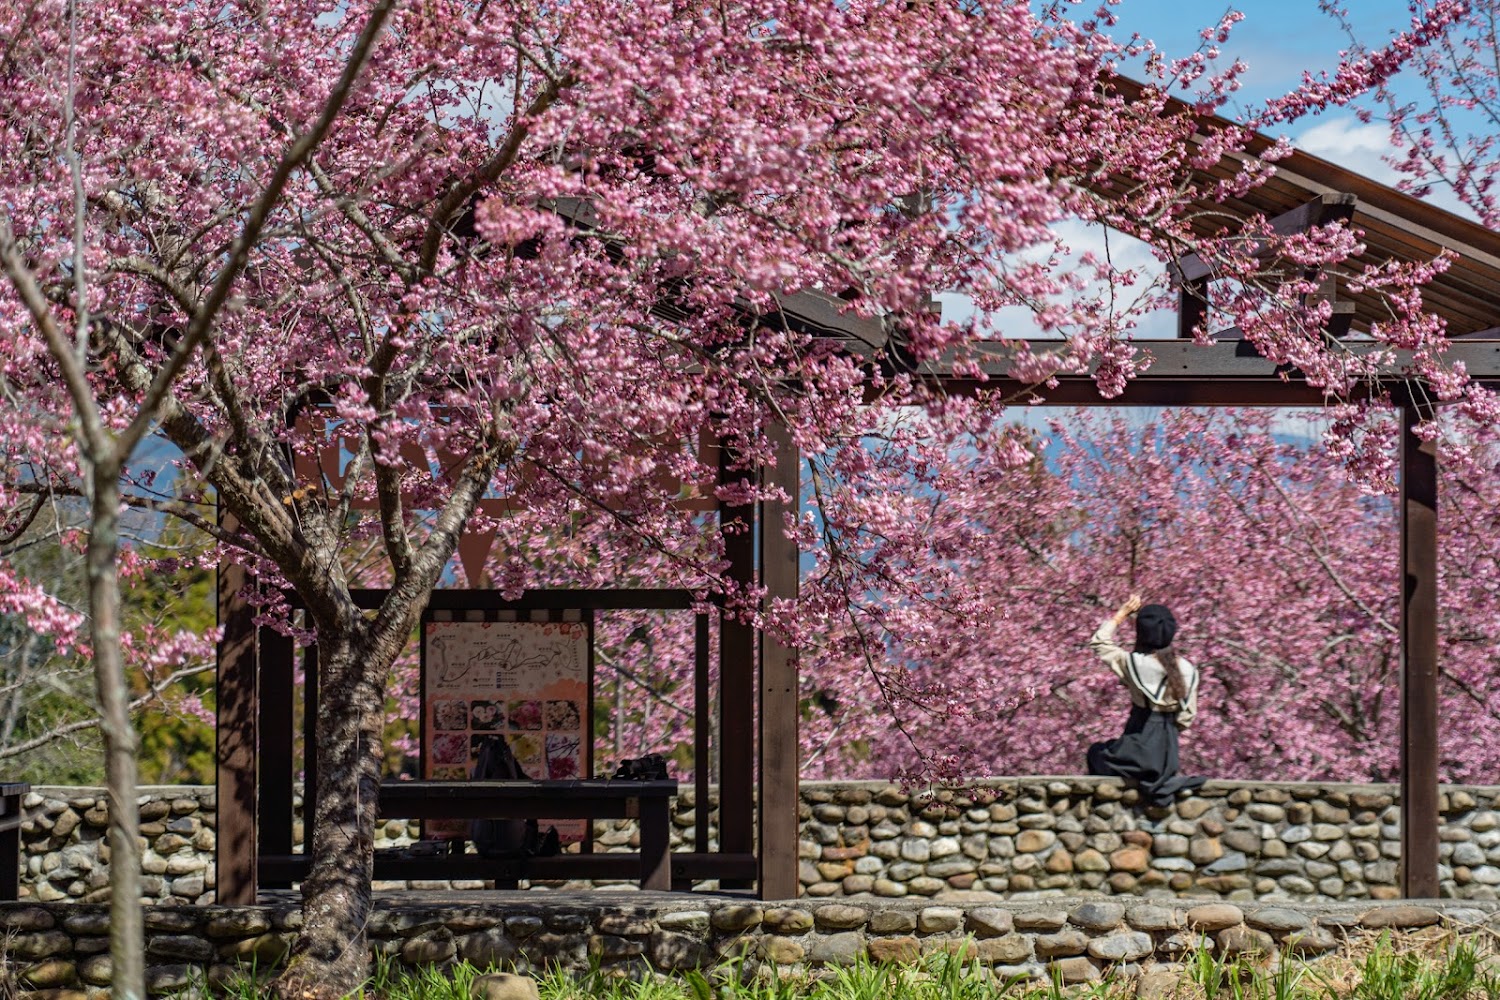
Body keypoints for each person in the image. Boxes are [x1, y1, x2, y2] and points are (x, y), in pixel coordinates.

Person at [1086, 594, 1205, 807]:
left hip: (1136, 746)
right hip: (1168, 757)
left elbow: (1100, 641)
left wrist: (1121, 615)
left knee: (1096, 753)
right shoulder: (1188, 670)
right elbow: (1187, 717)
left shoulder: (1133, 663)